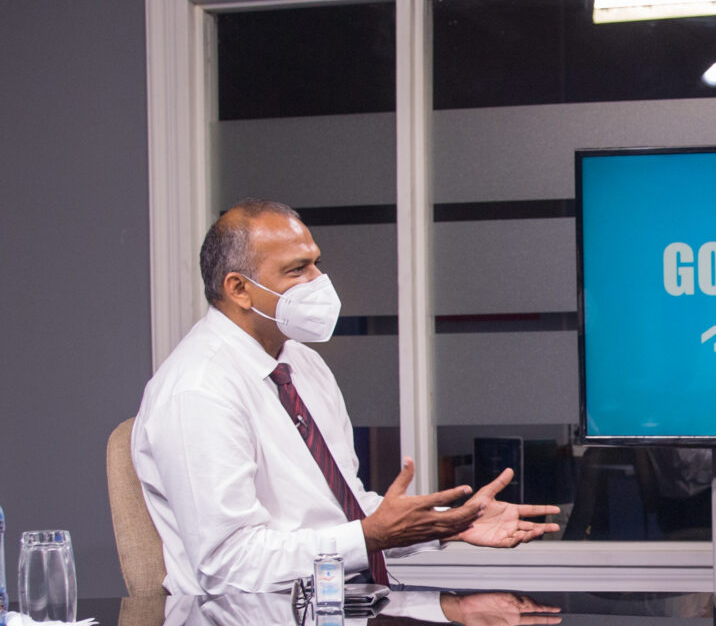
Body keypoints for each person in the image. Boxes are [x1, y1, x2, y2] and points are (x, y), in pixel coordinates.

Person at [133, 199, 561, 596]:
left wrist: (449, 524)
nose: (319, 282)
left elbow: (344, 509)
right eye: (297, 270)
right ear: (239, 289)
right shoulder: (199, 390)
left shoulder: (302, 363)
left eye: (317, 264)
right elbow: (227, 563)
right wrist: (368, 537)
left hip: (338, 610)